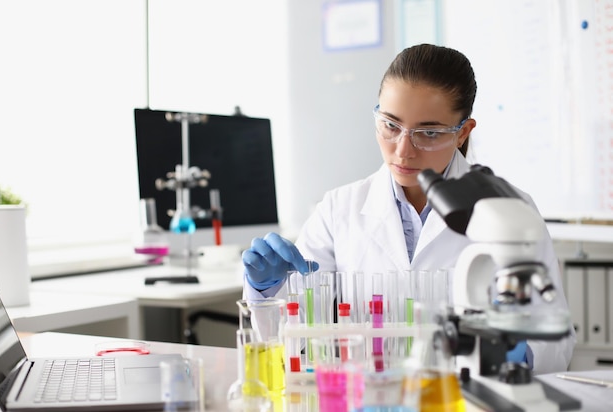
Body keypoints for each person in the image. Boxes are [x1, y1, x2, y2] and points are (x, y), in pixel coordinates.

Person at [241, 43, 575, 375]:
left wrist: (514, 351)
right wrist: (265, 292)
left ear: (463, 133)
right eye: (390, 125)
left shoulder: (509, 212)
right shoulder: (337, 211)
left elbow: (554, 345)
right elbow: (291, 340)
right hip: (370, 405)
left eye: (428, 132)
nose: (403, 150)